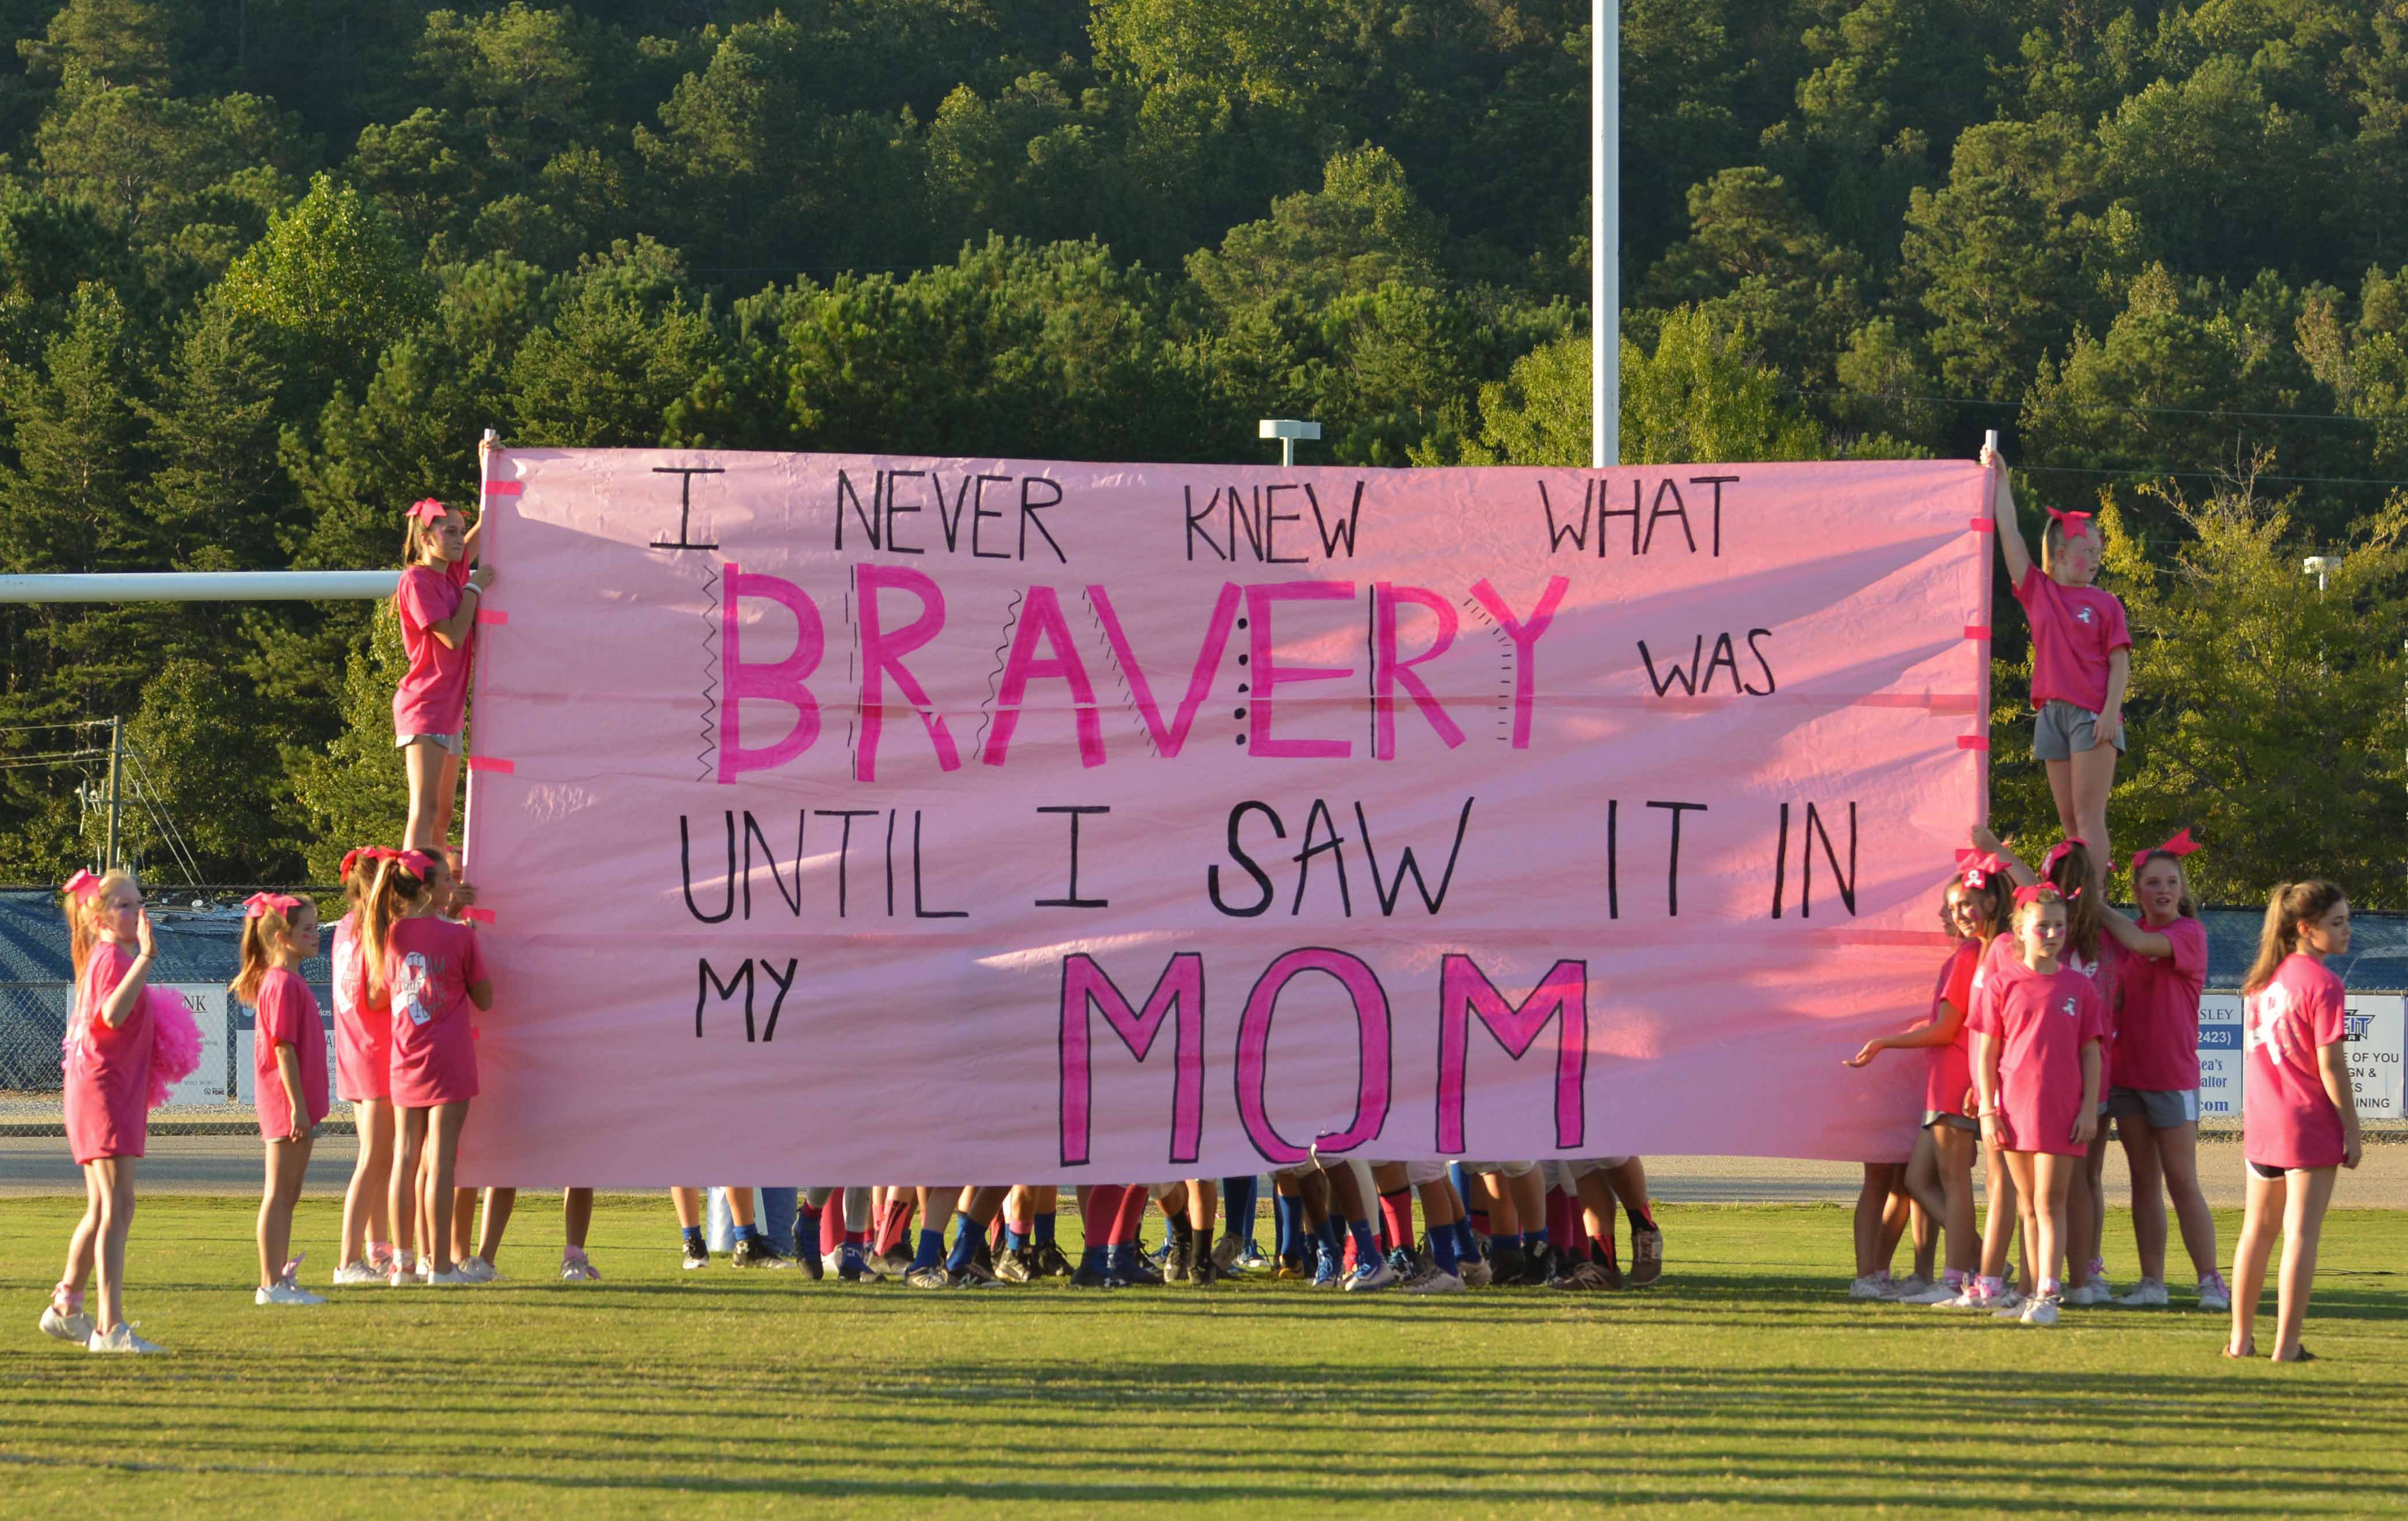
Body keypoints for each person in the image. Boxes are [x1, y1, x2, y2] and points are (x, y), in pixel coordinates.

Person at [1845, 864, 2008, 1304]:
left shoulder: (1973, 956)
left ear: (1991, 903)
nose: (1958, 914)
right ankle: (1978, 1261)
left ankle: (1961, 1275)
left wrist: (1884, 1042)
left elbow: (1945, 1029)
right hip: (1953, 1080)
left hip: (1956, 1081)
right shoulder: (1981, 954)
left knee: (1953, 1184)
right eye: (1953, 907)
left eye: (1966, 905)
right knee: (1920, 1180)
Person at [1970, 830, 2120, 1303]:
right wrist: (1988, 1108)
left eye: (2059, 925)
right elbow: (1986, 1049)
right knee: (2025, 1204)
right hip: (2012, 1109)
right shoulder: (2003, 979)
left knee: (2055, 1200)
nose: (2053, 934)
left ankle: (2056, 1288)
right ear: (2019, 928)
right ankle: (2026, 1288)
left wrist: (2089, 1109)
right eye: (2042, 926)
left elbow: (2090, 1051)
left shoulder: (2081, 981)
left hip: (2066, 1108)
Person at [1984, 444, 2130, 891]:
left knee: (2089, 816)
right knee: (2069, 822)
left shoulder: (2105, 602)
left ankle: (2095, 900)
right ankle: (2074, 895)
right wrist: (2000, 481)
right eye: (2087, 550)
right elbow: (2008, 534)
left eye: (2098, 551)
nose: (2095, 558)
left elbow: (2120, 661)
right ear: (2061, 553)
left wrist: (2109, 712)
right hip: (2050, 713)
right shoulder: (2038, 591)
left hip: (2091, 713)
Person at [2229, 881, 2362, 1362]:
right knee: (2300, 1234)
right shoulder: (2324, 984)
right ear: (2305, 929)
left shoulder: (2262, 981)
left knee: (2255, 1233)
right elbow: (2330, 1067)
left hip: (2263, 1126)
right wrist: (2351, 1126)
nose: (2348, 930)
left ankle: (2239, 1340)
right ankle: (2285, 1346)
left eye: (2347, 920)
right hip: (2305, 1126)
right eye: (2337, 922)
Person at [2097, 831, 2229, 1311]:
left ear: (2181, 888)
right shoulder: (2126, 934)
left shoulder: (2186, 933)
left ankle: (2210, 1281)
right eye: (2152, 882)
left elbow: (2136, 940)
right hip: (2127, 1075)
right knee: (2142, 1181)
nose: (2162, 890)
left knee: (2181, 1179)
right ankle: (2152, 1282)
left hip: (2172, 1077)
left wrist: (2094, 905)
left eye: (2170, 882)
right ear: (2137, 890)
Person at [44, 869, 165, 1353]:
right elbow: (111, 1016)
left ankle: (67, 1307)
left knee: (103, 1207)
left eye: (139, 902)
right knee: (118, 1206)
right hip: (104, 1090)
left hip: (102, 1088)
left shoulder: (105, 956)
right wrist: (149, 958)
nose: (137, 912)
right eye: (125, 906)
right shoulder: (114, 958)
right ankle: (109, 1329)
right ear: (98, 917)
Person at [364, 849, 491, 1285]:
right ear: (426, 887)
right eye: (445, 881)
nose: (451, 888)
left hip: (406, 1059)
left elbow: (378, 996)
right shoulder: (459, 937)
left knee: (404, 1158)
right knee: (440, 1163)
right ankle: (437, 1265)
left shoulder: (389, 934)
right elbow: (486, 998)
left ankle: (402, 1263)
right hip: (449, 1059)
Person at [234, 891, 330, 1307]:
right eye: (307, 930)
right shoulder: (281, 983)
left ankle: (278, 1278)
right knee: (278, 1192)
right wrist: (297, 1107)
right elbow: (283, 1049)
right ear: (281, 936)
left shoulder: (289, 981)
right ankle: (269, 1283)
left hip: (296, 1103)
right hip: (287, 1104)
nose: (316, 936)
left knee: (289, 1193)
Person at [393, 495, 492, 852]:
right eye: (449, 531)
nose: (457, 538)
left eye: (460, 532)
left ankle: (434, 899)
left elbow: (489, 522)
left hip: (448, 709)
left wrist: (488, 466)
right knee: (425, 809)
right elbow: (451, 636)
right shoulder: (416, 581)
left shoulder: (451, 574)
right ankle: (411, 893)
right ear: (425, 537)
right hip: (425, 705)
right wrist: (474, 590)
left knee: (444, 814)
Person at [330, 848, 400, 1285]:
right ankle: (348, 1260)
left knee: (376, 1157)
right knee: (375, 1158)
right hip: (376, 1052)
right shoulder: (376, 929)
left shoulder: (344, 926)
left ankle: (376, 1250)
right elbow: (376, 995)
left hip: (355, 1051)